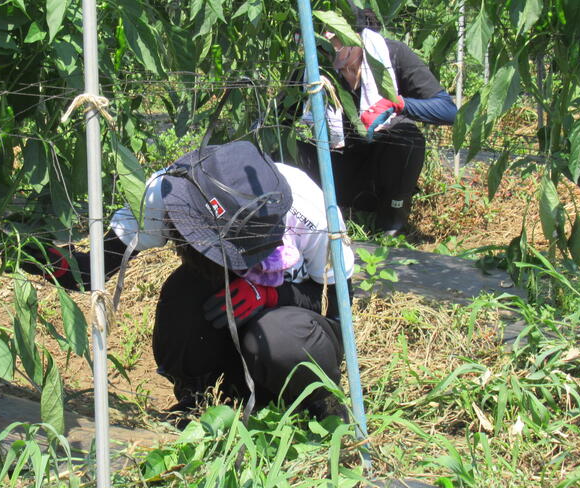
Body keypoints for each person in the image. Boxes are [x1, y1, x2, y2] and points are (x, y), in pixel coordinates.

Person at [24, 141, 354, 420]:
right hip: (223, 339)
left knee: (282, 337)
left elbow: (337, 314)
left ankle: (315, 402)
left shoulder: (309, 209)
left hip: (283, 331)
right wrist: (31, 252)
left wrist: (271, 297)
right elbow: (92, 270)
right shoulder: (167, 192)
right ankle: (201, 398)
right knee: (185, 293)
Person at [291, 12, 457, 235]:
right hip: (337, 165)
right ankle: (310, 218)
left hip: (382, 170)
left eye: (334, 33)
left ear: (357, 34)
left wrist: (398, 104)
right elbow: (280, 120)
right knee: (284, 150)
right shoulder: (315, 69)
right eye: (321, 35)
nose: (328, 41)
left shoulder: (392, 55)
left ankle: (391, 221)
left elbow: (448, 111)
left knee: (408, 139)